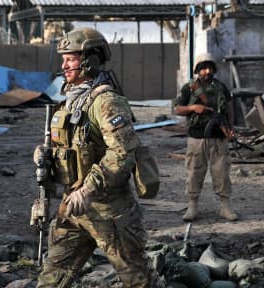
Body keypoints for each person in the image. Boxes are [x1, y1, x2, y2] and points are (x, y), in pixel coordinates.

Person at [33, 27, 162, 288]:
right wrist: (43, 155)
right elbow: (70, 146)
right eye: (63, 59)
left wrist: (89, 188)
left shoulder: (106, 102)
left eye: (71, 59)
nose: (64, 65)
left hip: (110, 211)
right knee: (51, 279)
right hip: (73, 208)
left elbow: (122, 152)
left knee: (139, 281)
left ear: (90, 60)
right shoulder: (68, 101)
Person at [174, 53, 238, 222]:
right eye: (203, 68)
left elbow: (230, 110)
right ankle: (192, 206)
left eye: (209, 67)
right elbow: (177, 109)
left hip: (218, 137)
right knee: (194, 171)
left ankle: (225, 207)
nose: (207, 71)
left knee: (221, 172)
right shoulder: (190, 87)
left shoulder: (221, 87)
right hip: (197, 137)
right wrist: (194, 107)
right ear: (198, 70)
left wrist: (230, 129)